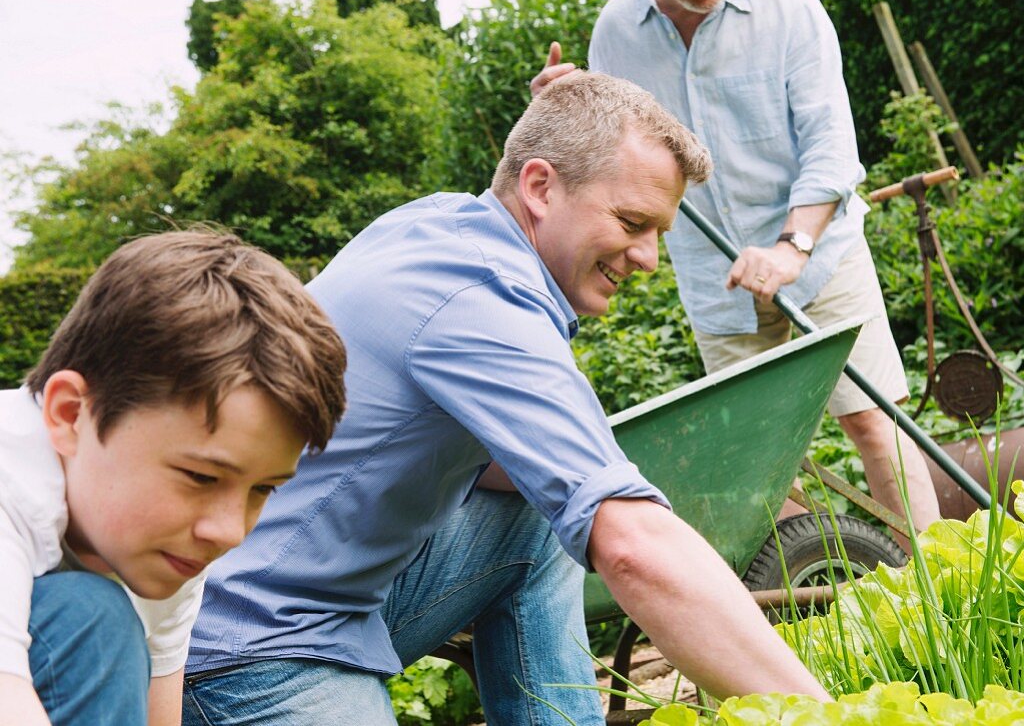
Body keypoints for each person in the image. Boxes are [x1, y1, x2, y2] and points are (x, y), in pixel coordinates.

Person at [182, 72, 830, 726]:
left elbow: (528, 476)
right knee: (596, 517)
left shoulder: (440, 228)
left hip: (329, 595)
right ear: (540, 187)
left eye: (659, 232)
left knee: (541, 511)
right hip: (248, 646)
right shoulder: (479, 296)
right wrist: (832, 715)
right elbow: (630, 545)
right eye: (633, 222)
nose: (649, 258)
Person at [531, 0, 940, 548]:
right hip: (714, 278)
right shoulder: (618, 30)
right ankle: (822, 599)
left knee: (874, 422)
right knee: (763, 464)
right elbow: (611, 151)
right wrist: (560, 115)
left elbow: (832, 146)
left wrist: (791, 247)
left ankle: (940, 591)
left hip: (821, 253)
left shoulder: (790, 8)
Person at [0, 231, 348, 726]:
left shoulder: (164, 536)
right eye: (201, 477)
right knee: (89, 615)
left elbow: (156, 712)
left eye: (262, 489)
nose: (228, 532)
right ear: (71, 413)